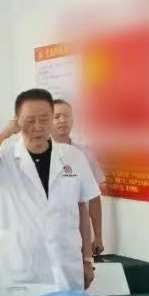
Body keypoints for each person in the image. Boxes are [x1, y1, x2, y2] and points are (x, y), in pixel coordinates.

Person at [0, 89, 99, 290]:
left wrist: (87, 259)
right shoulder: (4, 158)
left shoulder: (73, 157)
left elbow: (82, 207)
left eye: (44, 119)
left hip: (66, 266)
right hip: (20, 269)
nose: (38, 127)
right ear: (17, 121)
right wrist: (1, 136)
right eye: (30, 121)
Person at [52, 99, 105, 256]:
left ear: (73, 119)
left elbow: (93, 198)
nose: (62, 120)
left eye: (67, 115)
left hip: (77, 231)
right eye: (56, 116)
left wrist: (98, 236)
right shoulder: (39, 152)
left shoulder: (84, 154)